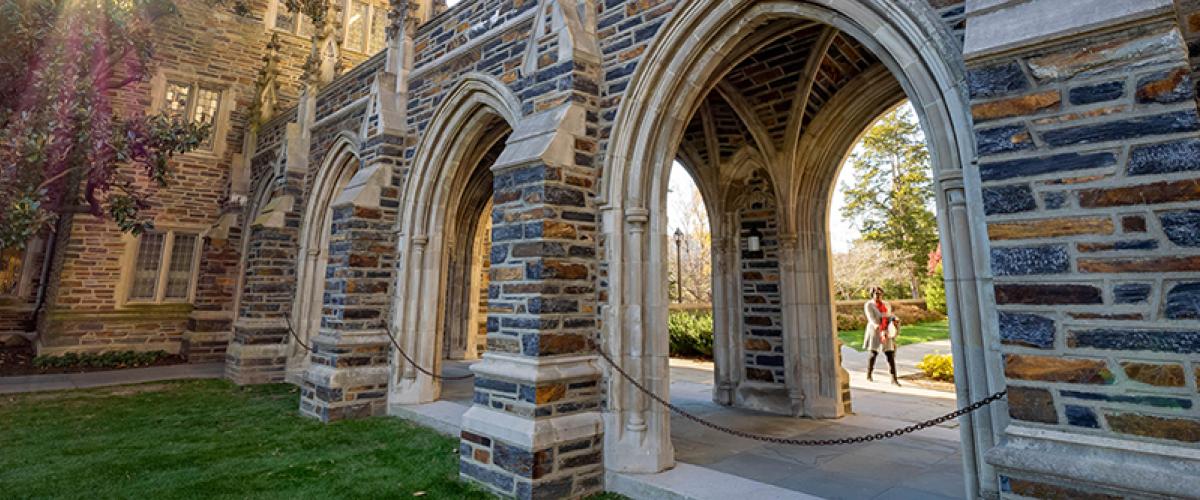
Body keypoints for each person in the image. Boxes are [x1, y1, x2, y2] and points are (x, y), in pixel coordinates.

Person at [863, 286, 900, 386]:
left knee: (890, 354)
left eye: (880, 293)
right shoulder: (869, 305)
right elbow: (871, 318)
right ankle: (869, 374)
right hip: (875, 331)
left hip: (886, 331)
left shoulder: (886, 304)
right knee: (873, 354)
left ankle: (894, 379)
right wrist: (878, 325)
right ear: (872, 294)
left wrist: (894, 319)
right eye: (876, 294)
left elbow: (889, 315)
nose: (879, 295)